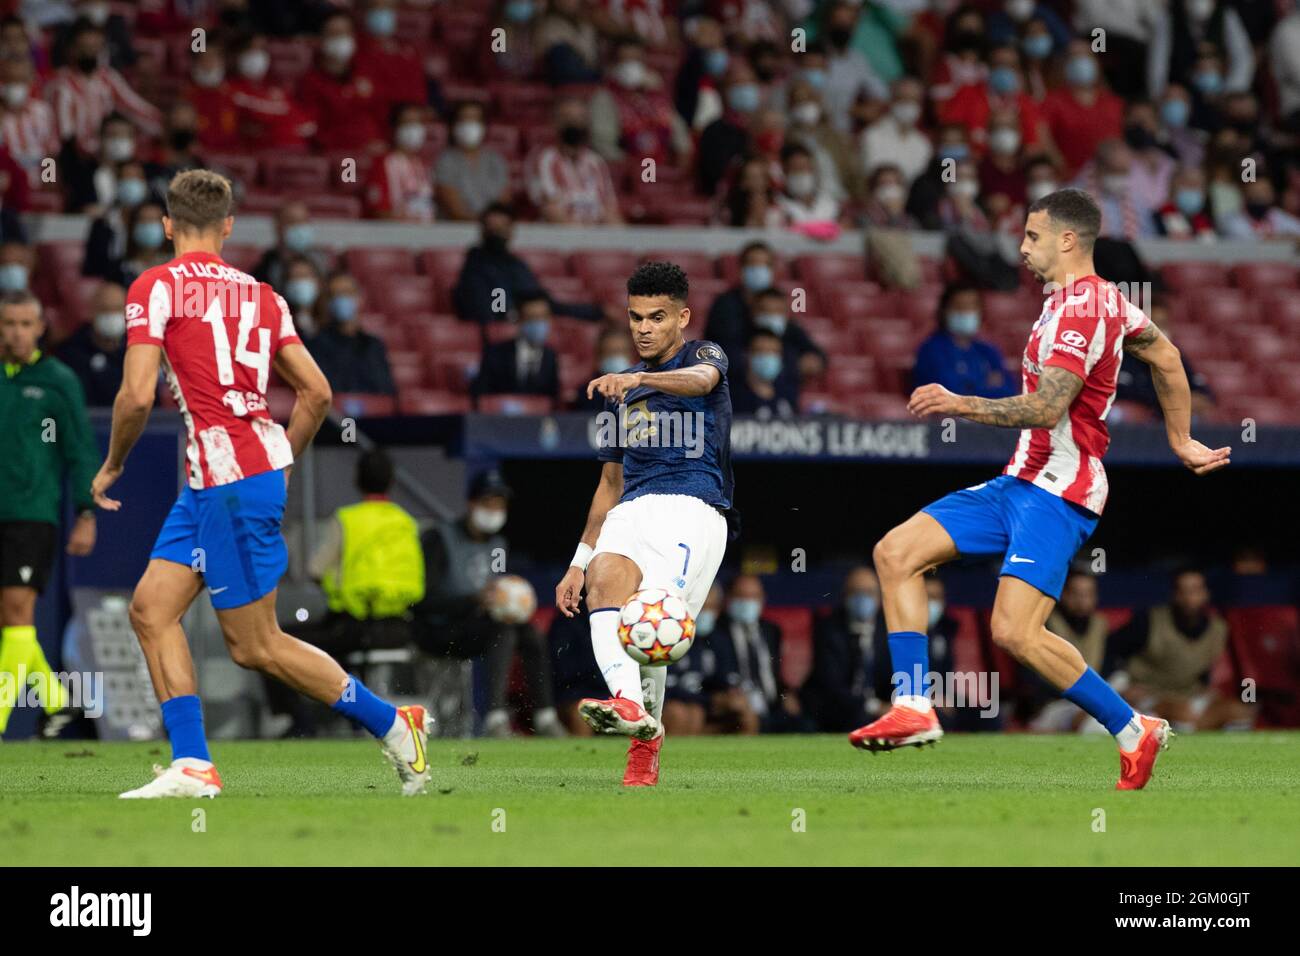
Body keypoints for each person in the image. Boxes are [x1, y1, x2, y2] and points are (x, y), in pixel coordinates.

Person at [853, 188, 1231, 791]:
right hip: (1019, 481)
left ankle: (1132, 729)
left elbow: (1046, 405)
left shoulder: (1085, 309)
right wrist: (1180, 439)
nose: (1022, 248)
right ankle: (915, 705)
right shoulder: (1084, 303)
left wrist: (959, 402)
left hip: (1060, 491)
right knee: (895, 552)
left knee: (1014, 632)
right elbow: (1166, 355)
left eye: (1031, 237)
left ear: (1067, 240)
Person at [90, 169, 431, 797]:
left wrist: (112, 463)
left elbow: (136, 396)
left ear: (166, 224)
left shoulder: (154, 285)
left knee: (256, 646)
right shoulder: (261, 294)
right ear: (227, 226)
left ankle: (393, 722)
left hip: (230, 479)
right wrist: (283, 457)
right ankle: (192, 763)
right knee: (151, 611)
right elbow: (318, 392)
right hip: (222, 478)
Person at [554, 262, 734, 786]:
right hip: (632, 509)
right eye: (635, 318)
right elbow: (609, 485)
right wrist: (577, 562)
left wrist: (639, 377)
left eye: (657, 317)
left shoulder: (705, 356)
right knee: (605, 582)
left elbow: (701, 382)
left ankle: (645, 742)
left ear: (682, 316)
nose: (644, 328)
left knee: (650, 633)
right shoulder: (621, 394)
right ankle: (629, 707)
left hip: (693, 508)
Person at [266, 448, 425, 738]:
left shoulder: (348, 519)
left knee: (272, 642)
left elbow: (315, 569)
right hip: (400, 627)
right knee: (339, 648)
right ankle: (355, 716)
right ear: (391, 482)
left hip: (353, 626)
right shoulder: (407, 522)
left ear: (357, 480)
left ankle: (297, 721)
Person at [0, 290, 98, 737]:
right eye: (8, 323)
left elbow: (79, 450)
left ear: (41, 327)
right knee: (12, 620)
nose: (16, 332)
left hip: (31, 514)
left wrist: (86, 511)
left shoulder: (58, 381)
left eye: (25, 323)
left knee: (18, 612)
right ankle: (59, 702)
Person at [414, 471, 564, 737]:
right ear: (472, 504)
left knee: (528, 632)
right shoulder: (440, 538)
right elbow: (424, 600)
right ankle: (495, 718)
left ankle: (545, 715)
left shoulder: (497, 544)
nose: (495, 511)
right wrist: (473, 600)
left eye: (500, 505)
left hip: (478, 625)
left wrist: (509, 598)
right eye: (489, 504)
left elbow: (495, 587)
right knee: (501, 631)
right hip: (440, 629)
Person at [1104, 568, 1229, 732]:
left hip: (1190, 694)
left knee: (1238, 712)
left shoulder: (1218, 628)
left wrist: (1206, 689)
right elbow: (1111, 649)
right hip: (1149, 695)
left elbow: (1201, 665)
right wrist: (1120, 687)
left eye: (1195, 591)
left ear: (1206, 594)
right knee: (1182, 713)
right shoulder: (1149, 621)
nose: (1190, 598)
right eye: (1183, 592)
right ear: (1174, 595)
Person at [451, 202, 606, 324]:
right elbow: (491, 311)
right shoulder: (475, 268)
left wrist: (596, 313)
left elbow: (547, 304)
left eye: (502, 229)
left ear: (511, 232)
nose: (497, 235)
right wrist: (512, 315)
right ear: (483, 231)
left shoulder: (517, 266)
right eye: (492, 229)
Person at [1017, 568, 1111, 730]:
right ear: (1063, 594)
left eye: (1088, 594)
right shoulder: (1041, 624)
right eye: (1076, 594)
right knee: (1093, 719)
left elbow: (1110, 669)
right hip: (1053, 706)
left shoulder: (1100, 625)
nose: (1082, 601)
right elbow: (1029, 679)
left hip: (1094, 703)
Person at [525, 97, 622, 225]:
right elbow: (550, 209)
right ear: (556, 122)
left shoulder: (596, 162)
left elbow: (610, 207)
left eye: (580, 118)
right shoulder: (543, 159)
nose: (575, 123)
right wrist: (581, 238)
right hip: (559, 235)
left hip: (597, 234)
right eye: (568, 118)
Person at [912, 284, 1017, 398]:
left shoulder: (987, 350)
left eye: (972, 307)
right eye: (959, 306)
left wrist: (972, 388)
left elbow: (1009, 391)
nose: (966, 312)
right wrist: (986, 386)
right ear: (944, 311)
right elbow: (950, 395)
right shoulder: (931, 351)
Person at [307, 272, 395, 396]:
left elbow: (387, 390)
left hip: (376, 412)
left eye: (347, 292)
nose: (342, 299)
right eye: (336, 295)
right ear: (328, 303)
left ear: (360, 298)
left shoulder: (373, 345)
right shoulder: (317, 344)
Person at [471, 292, 561, 404]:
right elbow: (483, 395)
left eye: (543, 317)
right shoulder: (495, 354)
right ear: (519, 320)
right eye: (532, 318)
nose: (539, 324)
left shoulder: (550, 357)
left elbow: (553, 399)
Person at [54, 280, 127, 406]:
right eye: (105, 309)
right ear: (91, 312)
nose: (112, 315)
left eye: (117, 309)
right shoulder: (71, 353)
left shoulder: (139, 350)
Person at [434, 100, 510, 221]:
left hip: (491, 230)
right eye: (464, 120)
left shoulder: (496, 160)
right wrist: (486, 224)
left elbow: (503, 202)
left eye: (475, 120)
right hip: (457, 231)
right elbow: (454, 209)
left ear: (484, 125)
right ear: (453, 125)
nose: (469, 125)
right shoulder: (445, 161)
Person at [364, 102, 435, 222]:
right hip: (395, 236)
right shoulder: (384, 163)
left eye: (418, 123)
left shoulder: (423, 165)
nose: (414, 129)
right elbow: (379, 212)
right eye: (407, 123)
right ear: (395, 128)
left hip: (425, 236)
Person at [731, 328, 798, 419]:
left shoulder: (788, 395)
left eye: (774, 352)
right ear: (747, 355)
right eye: (760, 351)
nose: (768, 357)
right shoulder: (732, 398)